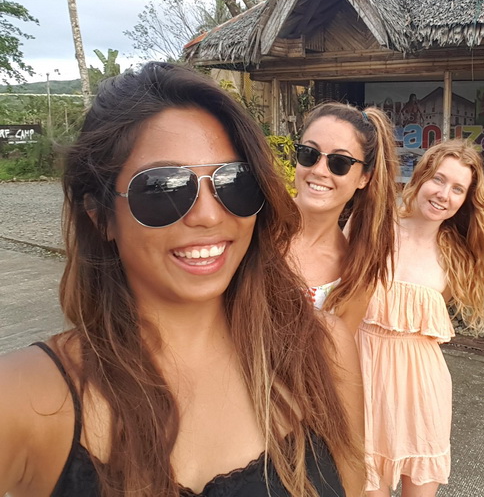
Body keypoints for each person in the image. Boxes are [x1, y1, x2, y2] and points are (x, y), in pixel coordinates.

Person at [0, 63, 365, 497]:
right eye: (163, 187)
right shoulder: (27, 399)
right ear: (101, 216)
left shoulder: (323, 350)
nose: (209, 215)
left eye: (234, 181)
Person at [358, 139, 484, 497]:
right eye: (438, 179)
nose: (443, 194)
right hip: (363, 384)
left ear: (465, 200)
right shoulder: (371, 229)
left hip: (422, 393)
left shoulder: (457, 257)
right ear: (420, 177)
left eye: (458, 188)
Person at [290, 102, 400, 333]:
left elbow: (334, 361)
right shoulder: (252, 224)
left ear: (364, 178)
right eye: (309, 154)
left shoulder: (354, 274)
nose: (319, 171)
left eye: (339, 163)